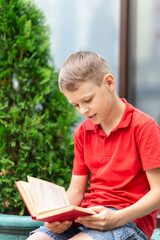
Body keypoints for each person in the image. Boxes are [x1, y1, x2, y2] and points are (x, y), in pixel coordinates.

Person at [27, 51, 160, 240]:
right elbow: (75, 191)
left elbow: (158, 191)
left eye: (87, 100)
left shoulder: (144, 127)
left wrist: (117, 218)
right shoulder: (82, 132)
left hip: (128, 222)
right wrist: (57, 216)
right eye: (75, 105)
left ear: (109, 83)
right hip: (87, 217)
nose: (83, 110)